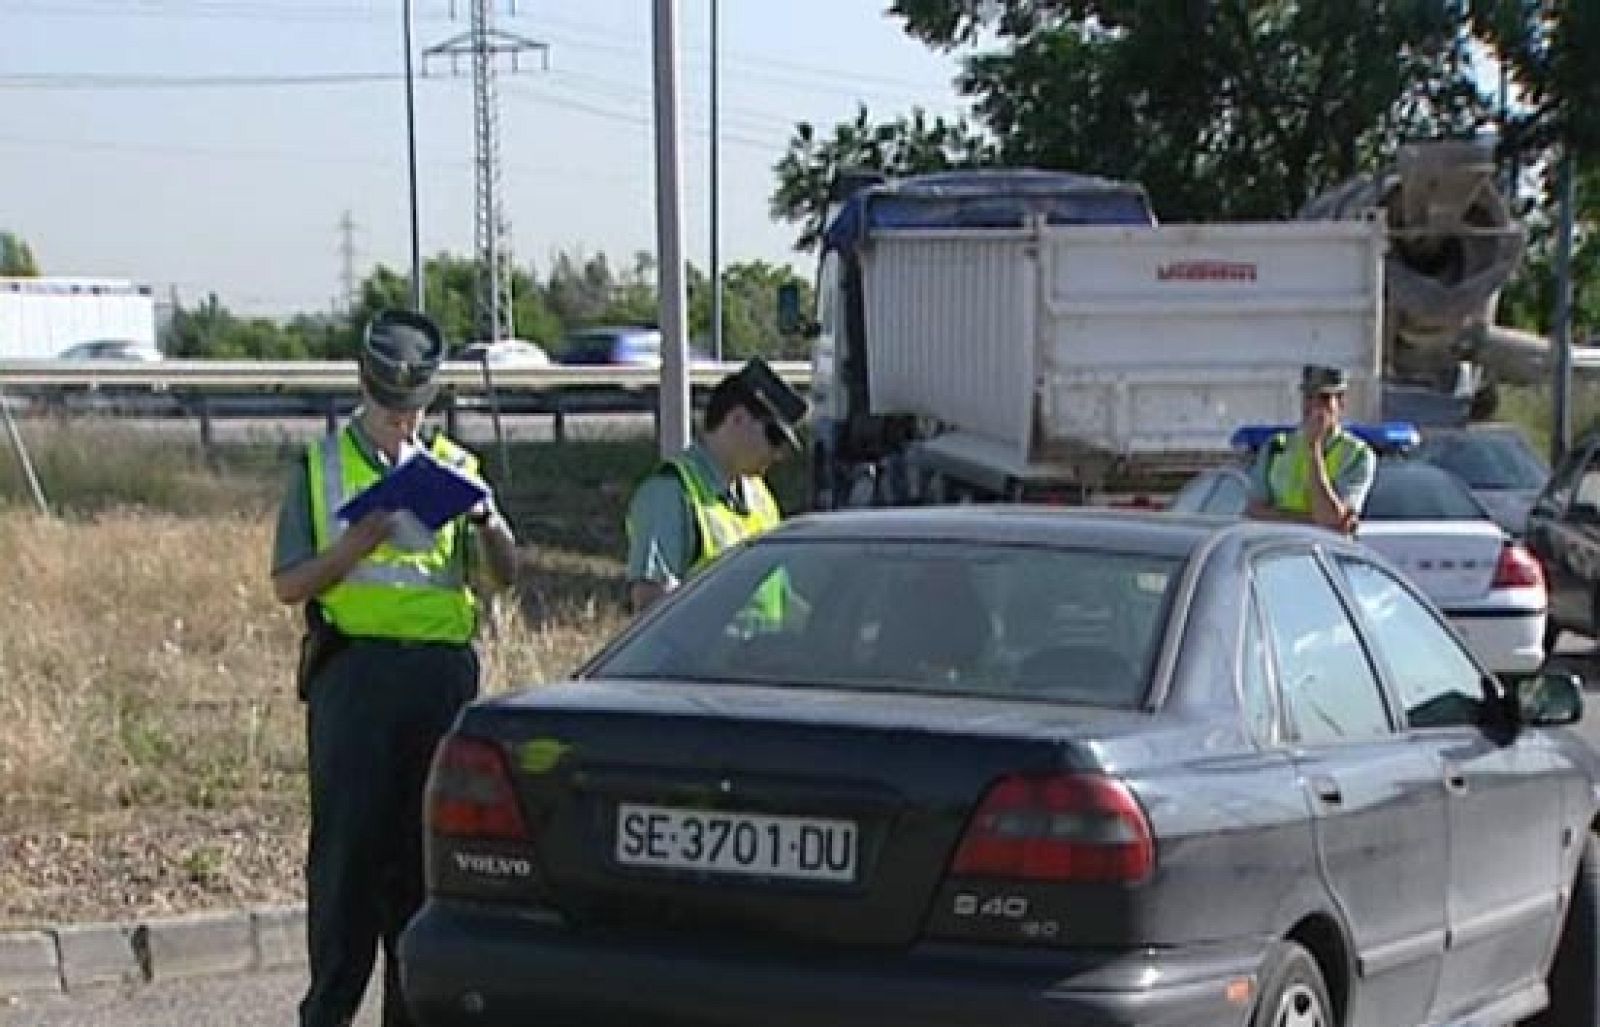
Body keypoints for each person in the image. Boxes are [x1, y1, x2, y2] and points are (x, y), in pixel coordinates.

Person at [270, 309, 519, 1027]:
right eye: (388, 408)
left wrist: (489, 522)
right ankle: (328, 1008)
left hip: (440, 681)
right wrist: (357, 544)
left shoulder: (455, 468)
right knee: (348, 860)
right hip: (356, 680)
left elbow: (503, 577)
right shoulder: (319, 467)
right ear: (363, 389)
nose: (401, 423)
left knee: (424, 865)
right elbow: (289, 582)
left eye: (413, 409)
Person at [625, 356, 808, 613]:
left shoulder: (761, 498)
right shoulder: (670, 493)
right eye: (774, 437)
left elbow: (778, 599)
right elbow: (652, 605)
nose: (778, 454)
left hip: (765, 651)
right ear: (737, 419)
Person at [1245, 364, 1376, 535]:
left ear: (1341, 403)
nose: (1315, 407)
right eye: (1309, 397)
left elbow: (1331, 519)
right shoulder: (1276, 447)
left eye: (1324, 399)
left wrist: (1314, 447)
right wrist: (1311, 523)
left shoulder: (1357, 455)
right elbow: (1254, 512)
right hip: (1276, 551)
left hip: (1324, 554)